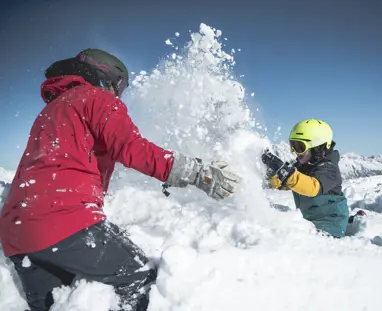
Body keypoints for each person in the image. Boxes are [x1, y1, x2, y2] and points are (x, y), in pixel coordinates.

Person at [0, 48, 241, 311]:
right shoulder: (96, 98)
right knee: (144, 279)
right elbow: (133, 149)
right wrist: (197, 173)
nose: (118, 94)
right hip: (63, 220)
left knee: (59, 303)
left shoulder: (52, 111)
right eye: (119, 86)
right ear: (106, 76)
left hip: (16, 235)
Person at [261, 119, 349, 238]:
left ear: (318, 147)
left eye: (300, 147)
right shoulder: (303, 166)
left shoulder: (329, 168)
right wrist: (273, 174)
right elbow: (285, 184)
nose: (295, 152)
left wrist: (285, 172)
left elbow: (312, 187)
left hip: (331, 224)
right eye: (293, 145)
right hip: (309, 220)